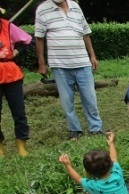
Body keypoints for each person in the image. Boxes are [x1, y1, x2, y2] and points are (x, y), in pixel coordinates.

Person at [35, 0, 104, 141]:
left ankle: (95, 128)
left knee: (90, 97)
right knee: (67, 100)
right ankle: (74, 130)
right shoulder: (42, 9)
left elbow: (85, 33)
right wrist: (42, 63)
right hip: (59, 64)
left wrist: (92, 56)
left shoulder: (76, 6)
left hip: (82, 61)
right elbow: (39, 38)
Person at [0, 7, 31, 157]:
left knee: (18, 111)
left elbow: (27, 41)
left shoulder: (7, 26)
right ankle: (0, 147)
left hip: (10, 72)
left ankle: (21, 144)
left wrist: (15, 52)